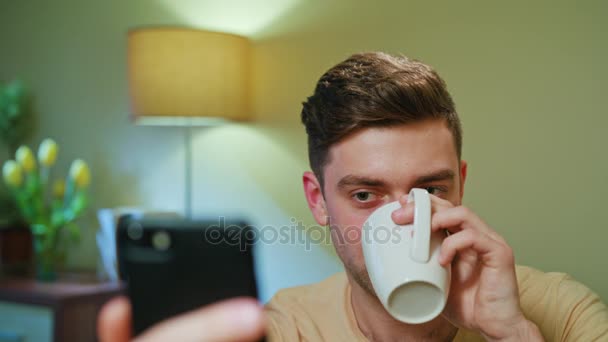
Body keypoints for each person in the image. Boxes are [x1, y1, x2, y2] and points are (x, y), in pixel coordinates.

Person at [98, 52, 608, 341]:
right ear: (317, 201)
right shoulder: (284, 330)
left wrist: (515, 332)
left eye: (430, 190)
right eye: (365, 194)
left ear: (461, 183)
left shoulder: (558, 312)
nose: (406, 219)